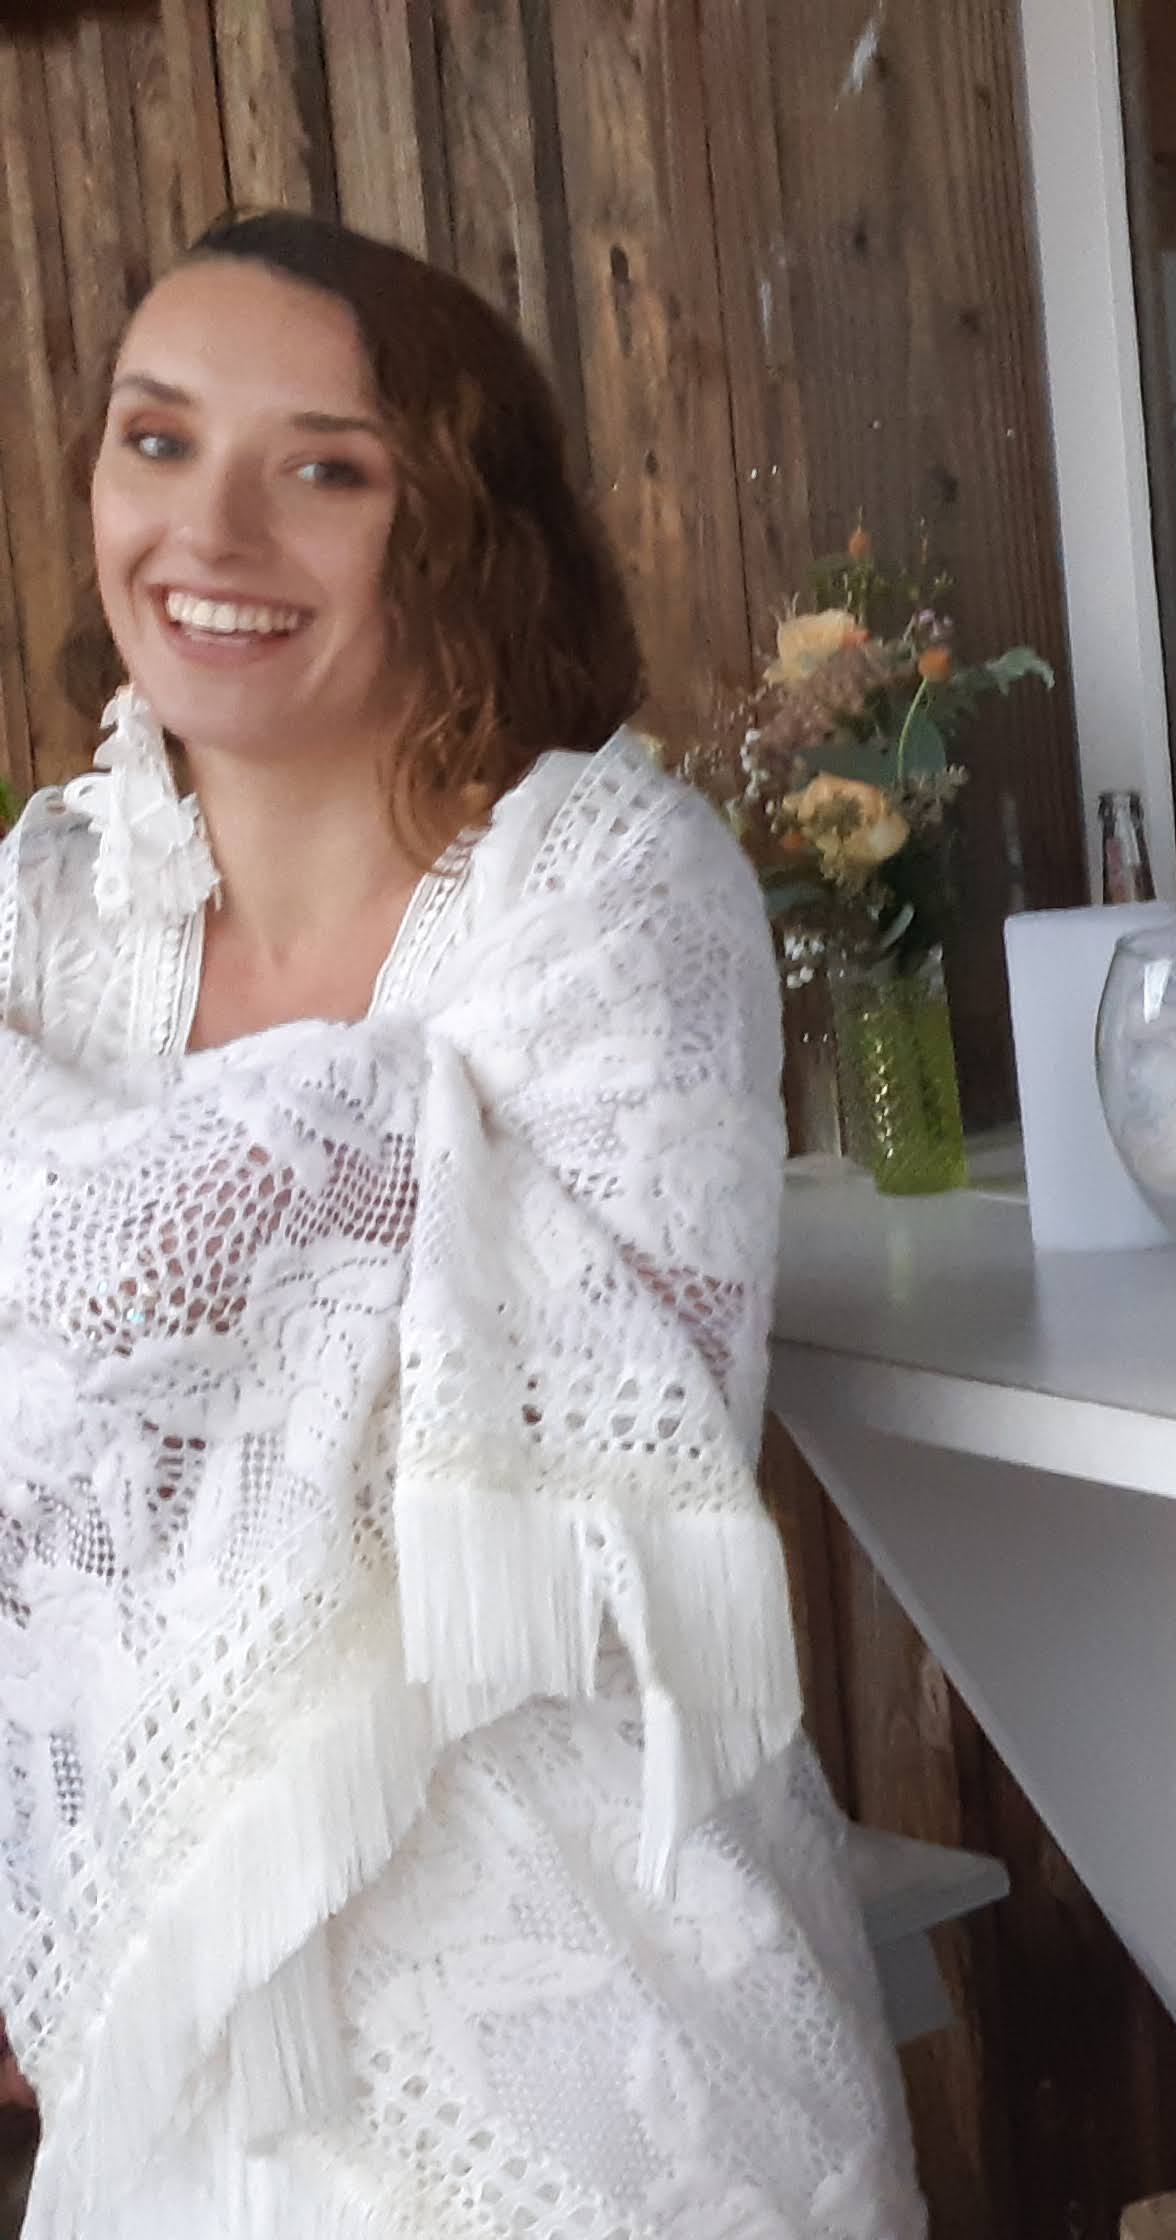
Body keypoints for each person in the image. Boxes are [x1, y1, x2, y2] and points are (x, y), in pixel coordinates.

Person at [0, 212, 916, 2234]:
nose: (210, 529)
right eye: (157, 440)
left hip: (588, 2059)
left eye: (325, 468)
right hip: (174, 2078)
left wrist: (96, 1243)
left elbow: (577, 1501)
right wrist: (356, 1191)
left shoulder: (607, 893)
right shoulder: (51, 906)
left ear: (457, 531)